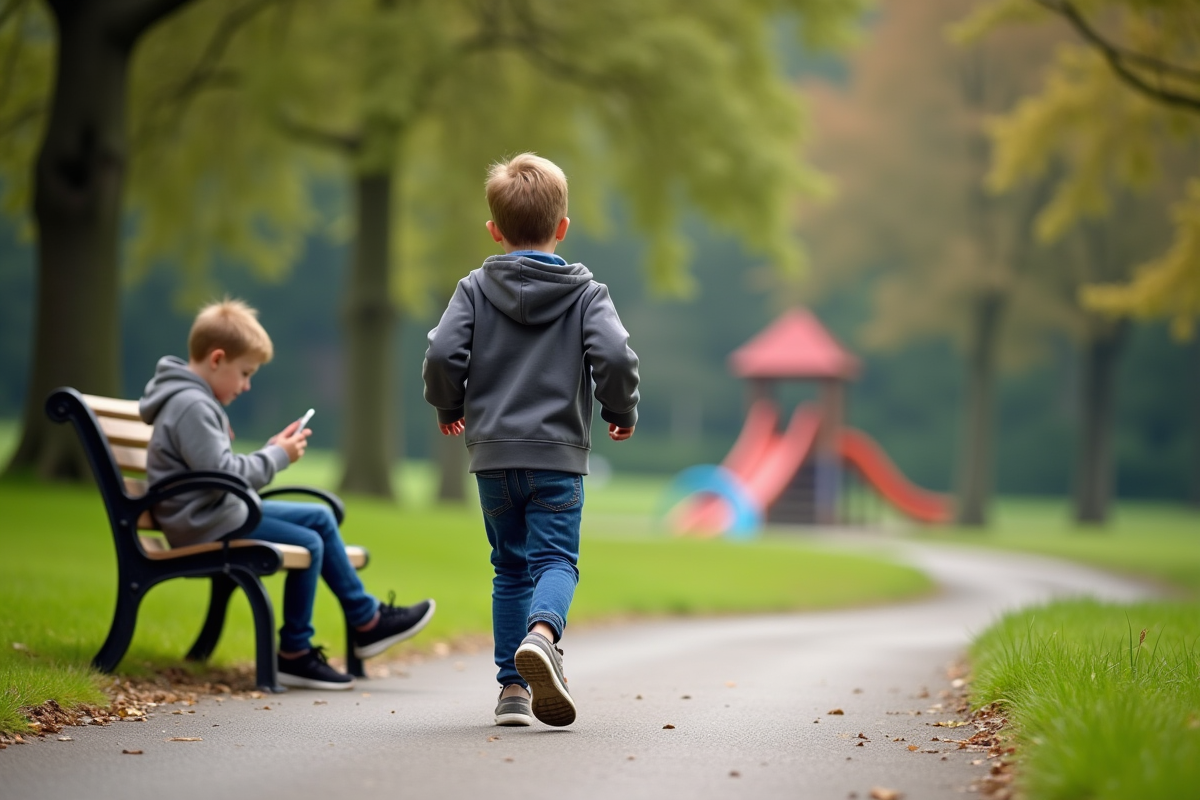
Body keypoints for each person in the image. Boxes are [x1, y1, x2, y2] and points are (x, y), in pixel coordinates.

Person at [422, 153, 640, 727]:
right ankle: (543, 635)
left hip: (493, 458)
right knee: (556, 562)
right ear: (562, 227)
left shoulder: (473, 289)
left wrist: (450, 402)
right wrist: (620, 408)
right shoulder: (587, 294)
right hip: (558, 461)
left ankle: (513, 693)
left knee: (509, 569)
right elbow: (615, 355)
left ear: (494, 231)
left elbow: (443, 353)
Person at [139, 299, 435, 690]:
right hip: (204, 523)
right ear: (216, 359)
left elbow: (216, 469)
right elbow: (221, 475)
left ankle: (366, 621)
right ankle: (295, 650)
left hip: (214, 513)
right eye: (244, 374)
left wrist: (269, 449)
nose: (246, 385)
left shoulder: (192, 400)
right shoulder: (191, 405)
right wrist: (276, 456)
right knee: (310, 542)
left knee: (320, 518)